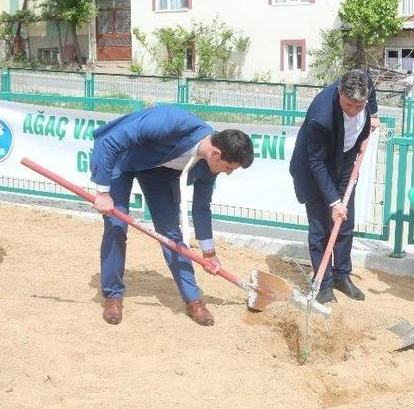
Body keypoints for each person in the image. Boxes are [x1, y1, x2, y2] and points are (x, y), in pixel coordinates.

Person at [90, 106, 254, 326]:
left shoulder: (209, 164)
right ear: (216, 154)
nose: (228, 173)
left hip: (156, 169)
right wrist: (102, 192)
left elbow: (201, 207)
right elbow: (109, 142)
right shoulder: (171, 121)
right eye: (229, 167)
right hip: (121, 158)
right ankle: (113, 295)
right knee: (116, 224)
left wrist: (209, 253)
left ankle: (193, 299)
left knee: (170, 233)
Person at [289, 69, 374, 304]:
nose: (353, 110)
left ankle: (341, 275)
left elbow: (370, 95)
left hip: (344, 161)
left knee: (345, 223)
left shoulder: (365, 85)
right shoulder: (322, 117)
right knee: (321, 230)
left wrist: (373, 113)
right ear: (339, 92)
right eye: (348, 105)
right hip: (314, 170)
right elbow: (315, 162)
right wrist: (334, 202)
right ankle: (323, 284)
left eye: (359, 106)